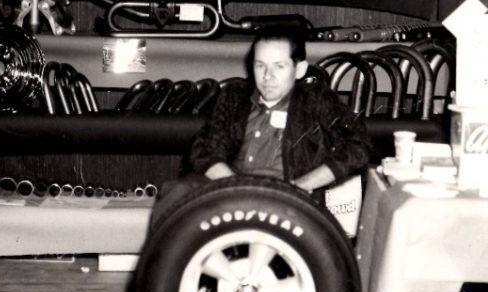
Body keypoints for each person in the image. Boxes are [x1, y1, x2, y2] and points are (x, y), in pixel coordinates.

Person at [149, 27, 372, 226]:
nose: (267, 76)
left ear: (300, 69)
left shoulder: (317, 100)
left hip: (289, 197)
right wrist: (237, 188)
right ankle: (164, 269)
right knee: (176, 193)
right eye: (260, 65)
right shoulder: (234, 96)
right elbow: (204, 149)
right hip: (231, 189)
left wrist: (302, 185)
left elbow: (359, 145)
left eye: (279, 66)